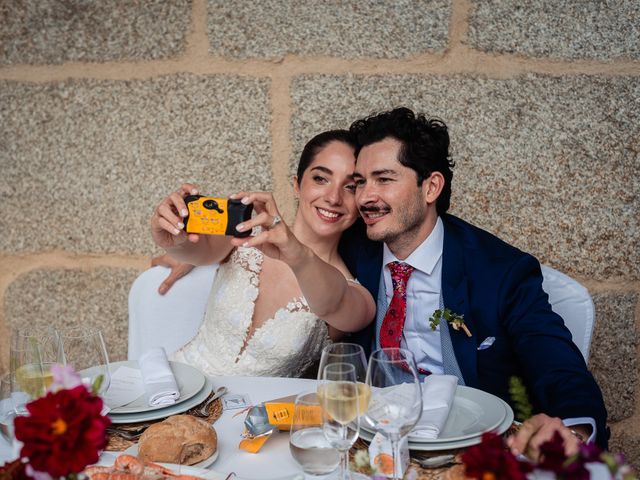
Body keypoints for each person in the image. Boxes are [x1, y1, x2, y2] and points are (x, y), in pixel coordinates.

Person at [340, 107, 608, 458]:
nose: (364, 198)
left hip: (474, 449)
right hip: (373, 443)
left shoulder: (501, 270)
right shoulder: (353, 251)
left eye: (384, 179)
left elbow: (556, 362)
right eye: (360, 182)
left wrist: (572, 430)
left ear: (431, 186)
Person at [147, 130, 376, 377]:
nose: (333, 198)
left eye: (350, 187)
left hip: (254, 414)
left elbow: (336, 302)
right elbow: (197, 249)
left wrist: (295, 250)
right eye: (321, 179)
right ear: (297, 185)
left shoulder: (355, 297)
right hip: (174, 390)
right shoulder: (247, 234)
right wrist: (171, 236)